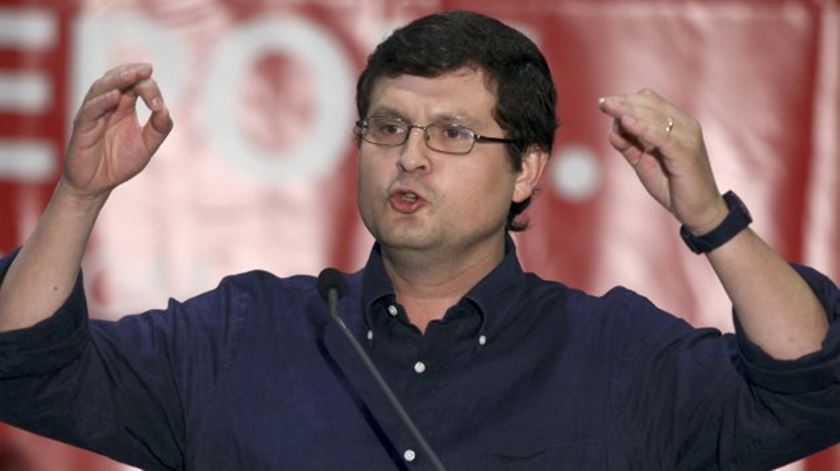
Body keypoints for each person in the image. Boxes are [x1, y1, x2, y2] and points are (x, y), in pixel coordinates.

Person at [1, 10, 839, 470]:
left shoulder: (617, 356)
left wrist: (710, 217)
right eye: (389, 126)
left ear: (526, 169)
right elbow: (25, 370)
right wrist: (80, 195)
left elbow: (810, 390)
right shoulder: (238, 337)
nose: (409, 156)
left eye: (452, 134)